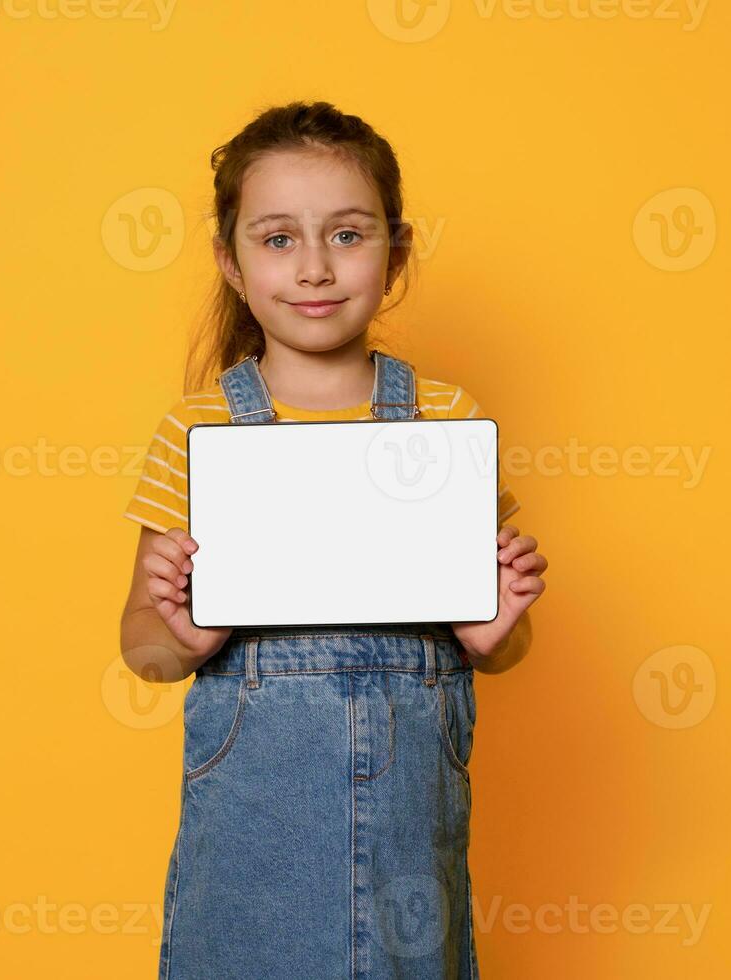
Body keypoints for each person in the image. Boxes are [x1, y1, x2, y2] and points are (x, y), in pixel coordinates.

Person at [118, 100, 549, 979]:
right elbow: (142, 648)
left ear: (396, 251)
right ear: (228, 262)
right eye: (277, 239)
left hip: (405, 829)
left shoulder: (447, 422)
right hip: (252, 827)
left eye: (347, 236)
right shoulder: (197, 429)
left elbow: (501, 647)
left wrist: (495, 631)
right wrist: (182, 636)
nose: (313, 269)